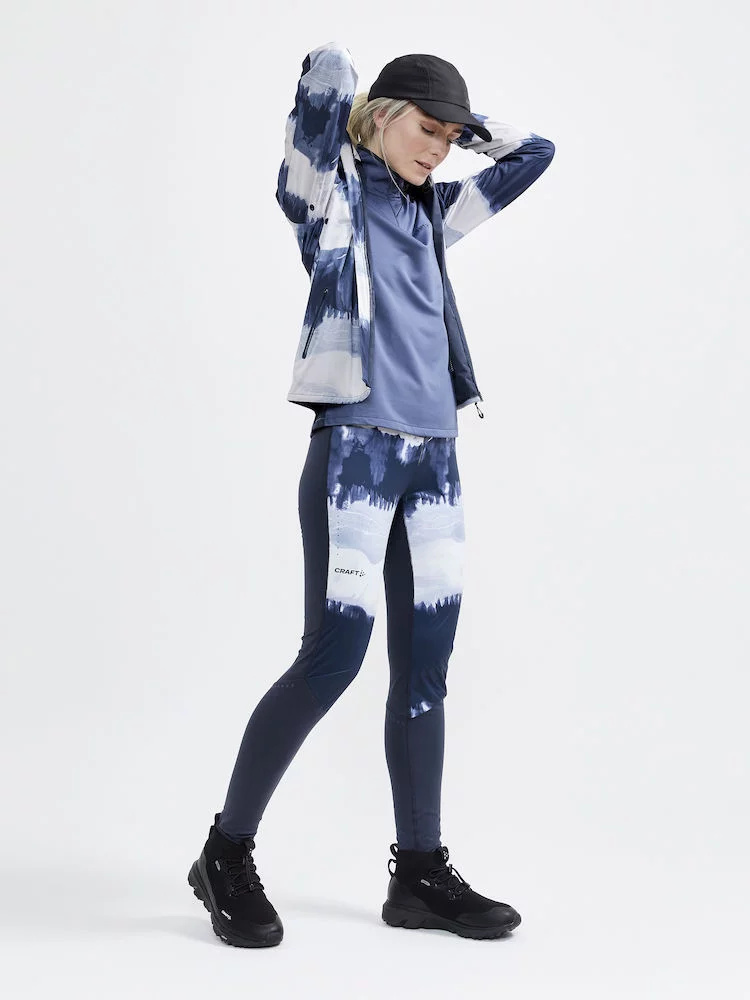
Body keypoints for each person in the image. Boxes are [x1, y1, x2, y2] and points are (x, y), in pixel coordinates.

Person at [188, 41, 555, 947]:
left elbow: (534, 154)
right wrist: (370, 110)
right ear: (382, 116)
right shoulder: (330, 195)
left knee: (426, 669)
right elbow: (325, 76)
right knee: (334, 657)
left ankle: (419, 873)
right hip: (355, 450)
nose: (438, 147)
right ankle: (224, 854)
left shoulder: (435, 211)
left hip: (435, 460)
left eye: (449, 137)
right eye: (425, 128)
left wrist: (461, 125)